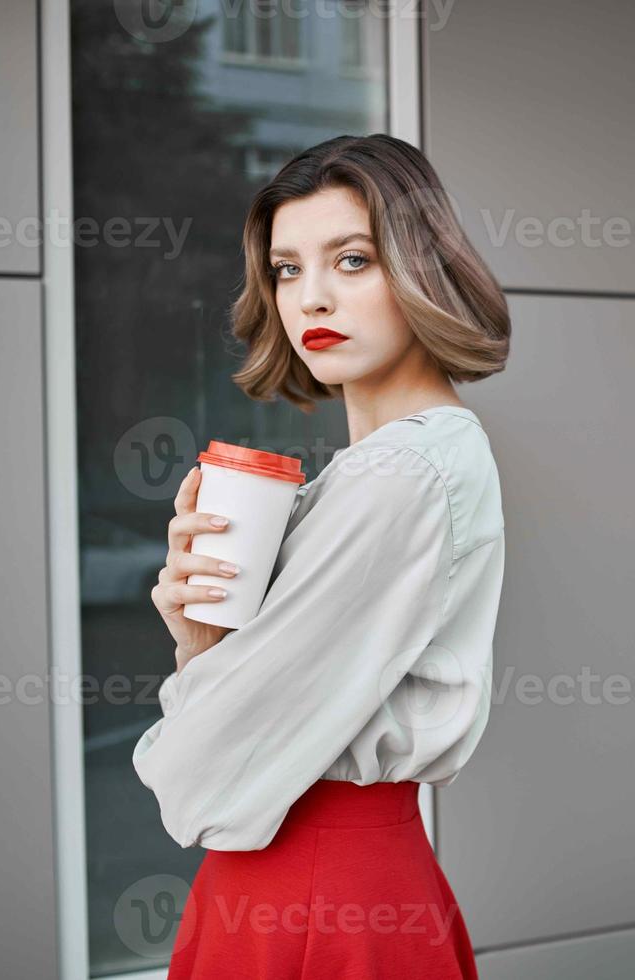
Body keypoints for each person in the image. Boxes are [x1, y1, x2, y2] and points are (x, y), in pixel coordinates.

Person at [133, 133, 511, 979]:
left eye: (351, 259)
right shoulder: (407, 462)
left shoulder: (400, 471)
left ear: (421, 268)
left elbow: (198, 782)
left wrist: (195, 683)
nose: (312, 300)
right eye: (287, 269)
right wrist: (202, 641)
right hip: (334, 880)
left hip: (307, 890)